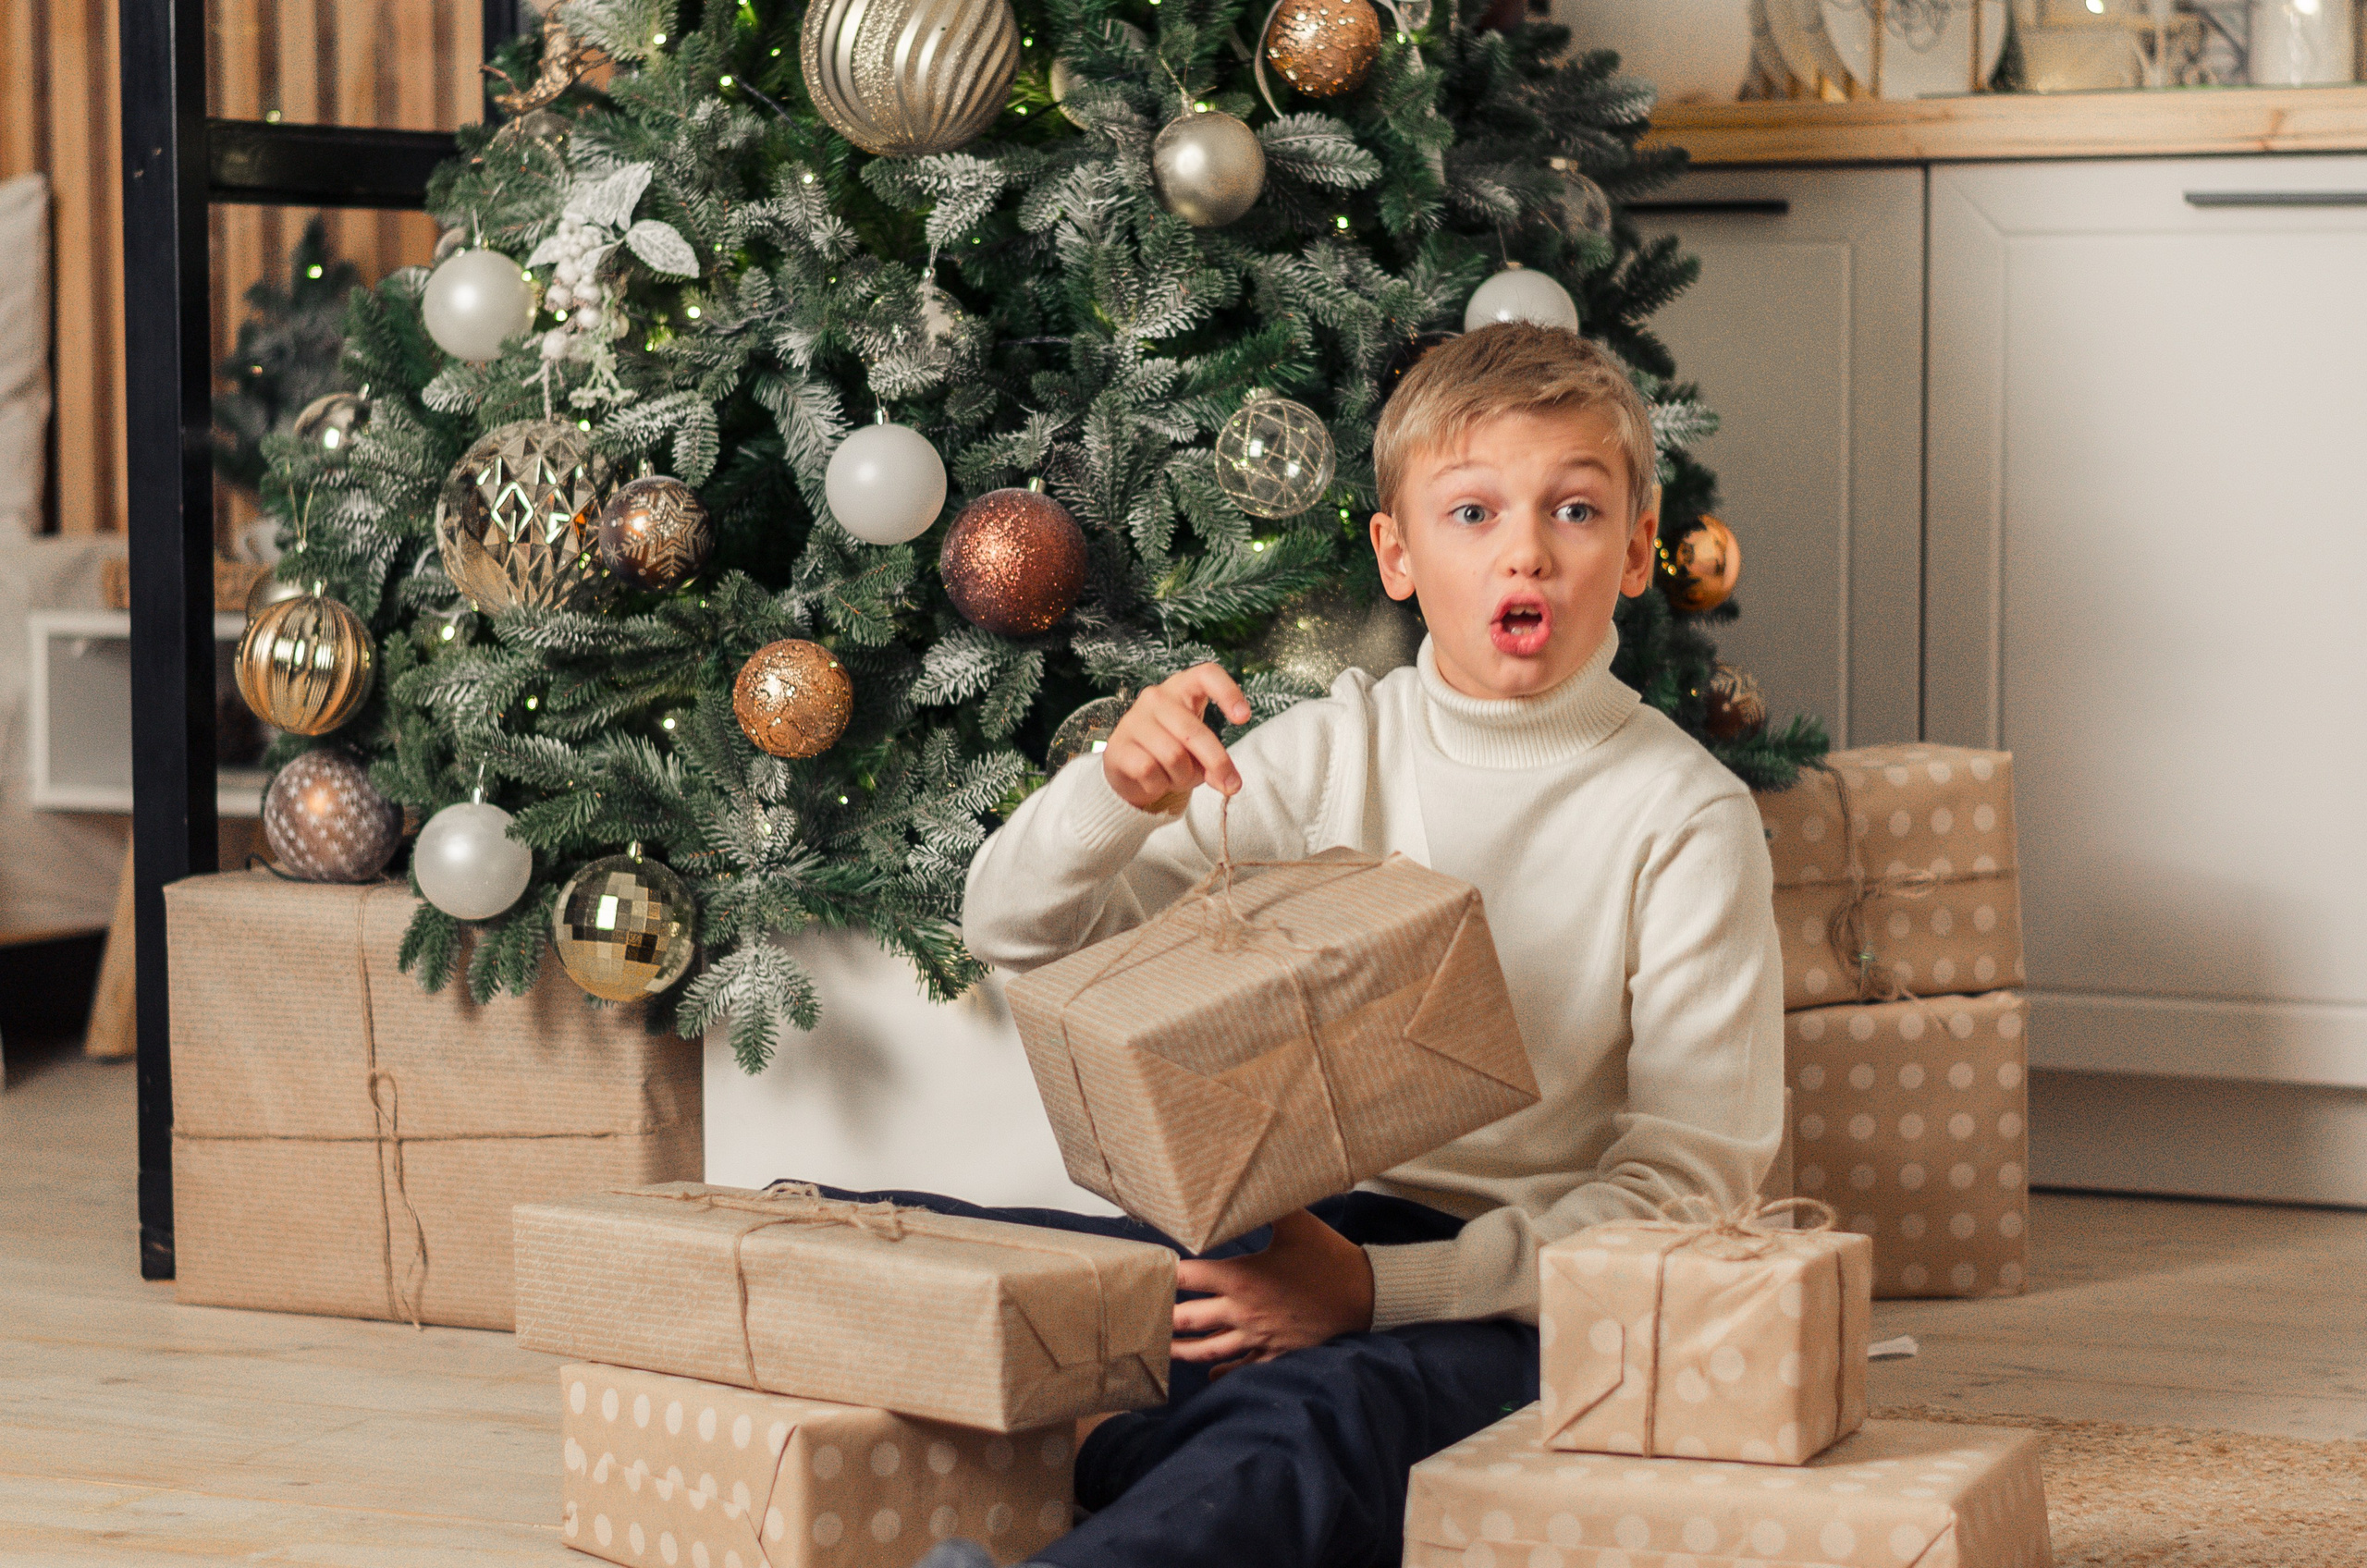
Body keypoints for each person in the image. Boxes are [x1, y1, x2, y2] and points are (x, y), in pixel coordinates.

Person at [890, 321, 1784, 1568]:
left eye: (1574, 512)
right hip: (1292, 1228)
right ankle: (1155, 1456)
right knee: (982, 1269)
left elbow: (1692, 1195)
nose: (1525, 548)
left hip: (1511, 1294)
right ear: (1398, 553)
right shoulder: (1333, 753)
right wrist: (1114, 791)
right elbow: (1015, 933)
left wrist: (1375, 1294)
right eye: (1472, 514)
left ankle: (1147, 1487)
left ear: (1638, 550)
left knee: (1328, 1412)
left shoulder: (1686, 817)